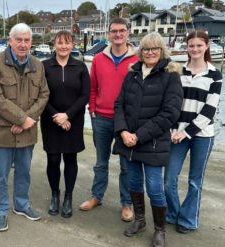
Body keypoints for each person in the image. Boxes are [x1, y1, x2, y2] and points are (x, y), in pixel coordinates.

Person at [113, 32, 183, 247]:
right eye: (145, 48)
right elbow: (119, 105)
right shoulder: (132, 74)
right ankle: (140, 221)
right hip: (129, 143)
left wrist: (139, 135)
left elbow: (170, 113)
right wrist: (123, 132)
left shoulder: (171, 76)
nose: (150, 52)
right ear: (140, 52)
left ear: (162, 50)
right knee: (134, 183)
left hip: (152, 144)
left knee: (154, 188)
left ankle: (160, 229)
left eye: (154, 48)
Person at [0, 23, 49, 232]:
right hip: (1, 130)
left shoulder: (38, 65)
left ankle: (21, 205)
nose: (22, 44)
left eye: (26, 40)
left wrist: (27, 119)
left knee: (24, 171)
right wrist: (22, 119)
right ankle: (1, 211)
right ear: (10, 41)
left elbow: (44, 95)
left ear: (31, 42)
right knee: (0, 174)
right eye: (18, 40)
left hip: (27, 131)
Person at [79, 18, 138, 222]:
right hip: (101, 117)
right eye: (114, 31)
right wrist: (92, 109)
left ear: (128, 32)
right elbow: (93, 87)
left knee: (125, 165)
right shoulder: (97, 59)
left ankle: (127, 203)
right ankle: (97, 196)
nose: (118, 34)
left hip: (127, 122)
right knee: (100, 162)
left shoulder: (137, 59)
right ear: (109, 33)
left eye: (122, 31)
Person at [164, 30, 222, 234]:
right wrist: (173, 129)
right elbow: (171, 103)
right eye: (191, 45)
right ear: (186, 47)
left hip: (202, 136)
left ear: (206, 46)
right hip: (175, 134)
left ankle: (188, 220)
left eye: (199, 45)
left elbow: (209, 110)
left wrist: (186, 132)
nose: (195, 49)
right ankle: (172, 213)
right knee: (169, 178)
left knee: (194, 181)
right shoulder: (177, 71)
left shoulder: (215, 75)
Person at [41, 31, 90, 218]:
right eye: (60, 43)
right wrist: (56, 116)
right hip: (50, 119)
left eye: (67, 43)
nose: (63, 46)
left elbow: (85, 95)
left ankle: (68, 197)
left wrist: (67, 115)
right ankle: (55, 194)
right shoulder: (44, 66)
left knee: (70, 159)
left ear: (72, 45)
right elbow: (41, 95)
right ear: (54, 44)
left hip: (74, 120)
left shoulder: (80, 67)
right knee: (53, 159)